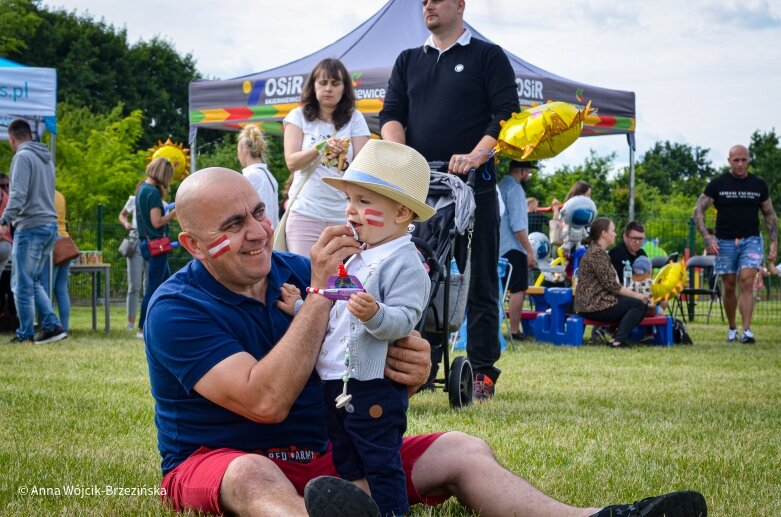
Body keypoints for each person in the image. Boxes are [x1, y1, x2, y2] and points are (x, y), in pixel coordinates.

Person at [145, 167, 706, 517]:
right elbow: (263, 402)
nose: (259, 231)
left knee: (463, 447)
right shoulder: (176, 308)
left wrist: (408, 365)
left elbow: (378, 353)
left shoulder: (298, 266)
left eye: (260, 212)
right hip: (220, 462)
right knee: (252, 474)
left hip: (330, 459)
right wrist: (323, 292)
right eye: (233, 225)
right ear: (194, 245)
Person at [379, 0, 519, 401]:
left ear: (459, 5)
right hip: (423, 190)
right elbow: (391, 113)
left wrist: (477, 154)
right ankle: (422, 363)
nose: (428, 6)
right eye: (423, 1)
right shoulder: (408, 60)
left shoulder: (487, 55)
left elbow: (506, 114)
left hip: (476, 187)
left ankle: (483, 371)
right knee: (419, 275)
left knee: (479, 280)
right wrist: (403, 157)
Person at [293, 140, 433, 516]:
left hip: (372, 385)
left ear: (402, 212)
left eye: (364, 202)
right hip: (336, 379)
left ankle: (390, 511)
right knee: (346, 455)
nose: (351, 210)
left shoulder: (406, 262)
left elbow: (405, 319)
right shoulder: (359, 254)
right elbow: (336, 301)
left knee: (380, 457)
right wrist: (298, 304)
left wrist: (375, 314)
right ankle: (361, 504)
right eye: (350, 200)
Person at [283, 58, 370, 256]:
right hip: (305, 212)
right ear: (313, 86)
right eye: (323, 83)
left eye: (335, 83)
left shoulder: (355, 118)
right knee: (303, 277)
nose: (328, 88)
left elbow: (364, 169)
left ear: (344, 88)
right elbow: (292, 162)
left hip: (344, 214)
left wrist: (344, 160)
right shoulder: (298, 116)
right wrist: (321, 147)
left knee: (339, 281)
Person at [693, 144, 778, 344]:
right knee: (729, 285)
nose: (740, 164)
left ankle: (747, 331)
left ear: (748, 160)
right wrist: (707, 237)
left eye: (744, 160)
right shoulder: (718, 184)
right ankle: (732, 328)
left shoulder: (759, 185)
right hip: (724, 241)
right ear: (729, 161)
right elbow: (698, 210)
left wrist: (774, 242)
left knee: (748, 281)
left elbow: (770, 215)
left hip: (751, 240)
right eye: (736, 160)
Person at [0, 119, 66, 344]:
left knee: (20, 283)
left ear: (12, 138)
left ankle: (26, 333)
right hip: (49, 224)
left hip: (30, 225)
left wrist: (5, 219)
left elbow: (17, 194)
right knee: (33, 280)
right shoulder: (46, 159)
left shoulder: (22, 157)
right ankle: (52, 325)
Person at [574, 218, 650, 348]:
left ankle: (616, 336)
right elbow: (612, 286)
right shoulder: (598, 254)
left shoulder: (596, 251)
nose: (615, 234)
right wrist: (637, 295)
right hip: (593, 305)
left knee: (639, 303)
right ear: (604, 233)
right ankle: (618, 340)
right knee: (638, 304)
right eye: (613, 230)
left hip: (591, 303)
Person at [135, 157, 176, 339]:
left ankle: (168, 320)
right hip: (157, 245)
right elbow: (156, 222)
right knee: (154, 287)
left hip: (145, 242)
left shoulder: (141, 189)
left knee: (168, 284)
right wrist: (173, 214)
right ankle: (143, 327)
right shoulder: (153, 193)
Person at [499, 160, 538, 341]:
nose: (529, 176)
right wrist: (529, 250)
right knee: (518, 289)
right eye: (528, 172)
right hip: (513, 247)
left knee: (501, 289)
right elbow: (518, 225)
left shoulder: (501, 186)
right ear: (522, 171)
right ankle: (514, 330)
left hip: (499, 246)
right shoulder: (515, 190)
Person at [40, 190, 74, 332]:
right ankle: (64, 328)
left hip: (51, 241)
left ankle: (50, 327)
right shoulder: (60, 195)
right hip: (65, 241)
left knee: (46, 288)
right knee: (61, 289)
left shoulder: (42, 194)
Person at [238, 124, 279, 229]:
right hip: (271, 233)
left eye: (238, 151)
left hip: (260, 235)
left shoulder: (251, 175)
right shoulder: (267, 174)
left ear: (244, 150)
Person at [118, 192, 145, 331]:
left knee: (149, 286)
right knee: (134, 285)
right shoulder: (134, 199)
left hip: (153, 243)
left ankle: (146, 321)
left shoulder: (161, 202)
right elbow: (122, 214)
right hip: (135, 241)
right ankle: (130, 323)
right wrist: (126, 223)